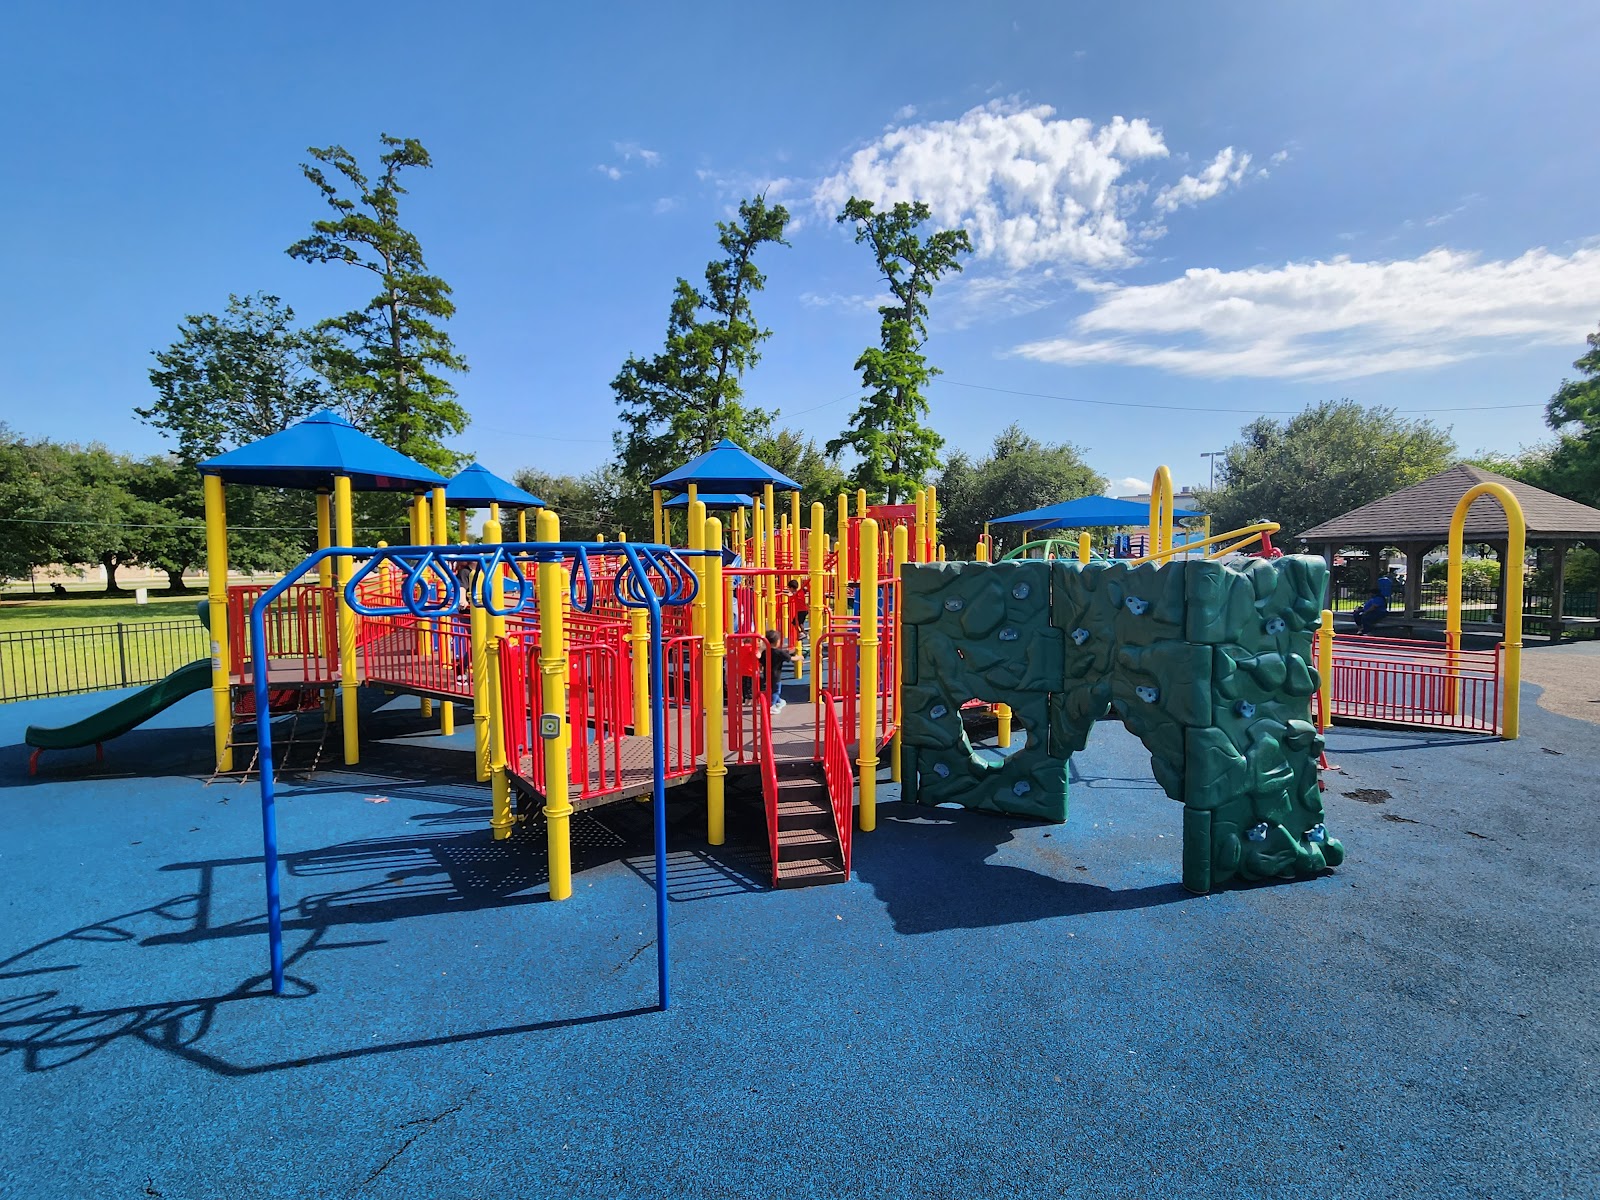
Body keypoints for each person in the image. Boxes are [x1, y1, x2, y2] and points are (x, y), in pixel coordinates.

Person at [760, 629, 794, 714]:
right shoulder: (779, 652)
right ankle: (772, 706)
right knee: (776, 691)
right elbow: (790, 658)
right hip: (776, 676)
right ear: (777, 642)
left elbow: (761, 662)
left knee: (771, 689)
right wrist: (800, 657)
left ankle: (779, 701)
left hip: (767, 674)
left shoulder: (765, 652)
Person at [786, 579, 807, 646]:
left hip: (801, 610)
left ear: (792, 588)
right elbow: (805, 590)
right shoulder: (801, 592)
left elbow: (791, 595)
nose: (789, 590)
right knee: (799, 623)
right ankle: (803, 633)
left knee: (796, 622)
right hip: (803, 610)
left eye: (789, 588)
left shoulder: (796, 593)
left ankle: (802, 633)